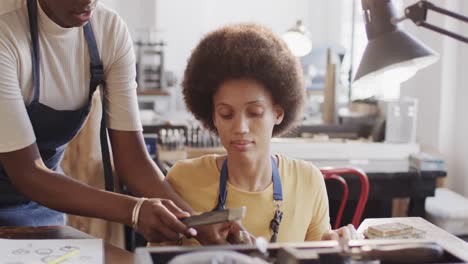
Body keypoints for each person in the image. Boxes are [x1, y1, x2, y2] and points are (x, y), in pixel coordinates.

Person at [0, 0, 240, 244]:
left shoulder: (108, 30)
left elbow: (133, 160)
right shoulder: (5, 28)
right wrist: (134, 210)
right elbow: (27, 172)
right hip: (34, 185)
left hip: (43, 205)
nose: (89, 1)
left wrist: (197, 223)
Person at [162, 23, 356, 245]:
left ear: (278, 113)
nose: (240, 127)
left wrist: (336, 247)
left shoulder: (308, 181)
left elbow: (316, 256)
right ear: (212, 116)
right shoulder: (183, 179)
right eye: (226, 114)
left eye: (254, 113)